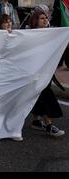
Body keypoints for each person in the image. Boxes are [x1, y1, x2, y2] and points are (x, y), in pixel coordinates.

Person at [28, 9, 65, 137]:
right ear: (35, 20)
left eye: (46, 18)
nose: (45, 20)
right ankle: (49, 124)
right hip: (34, 71)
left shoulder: (49, 33)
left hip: (46, 70)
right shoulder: (30, 35)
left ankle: (36, 120)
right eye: (42, 18)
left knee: (39, 95)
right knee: (45, 94)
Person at [50, 0, 69, 68]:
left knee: (62, 44)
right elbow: (56, 11)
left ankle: (60, 62)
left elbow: (55, 10)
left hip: (62, 23)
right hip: (61, 23)